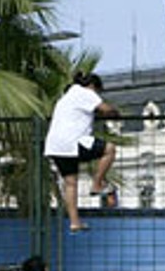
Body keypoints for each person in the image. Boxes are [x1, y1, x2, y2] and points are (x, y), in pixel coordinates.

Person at [44, 72, 120, 233]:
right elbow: (105, 109)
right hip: (73, 142)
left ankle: (74, 222)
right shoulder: (85, 92)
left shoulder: (66, 97)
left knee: (70, 183)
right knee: (110, 149)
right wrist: (115, 112)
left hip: (55, 146)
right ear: (93, 87)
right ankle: (97, 184)